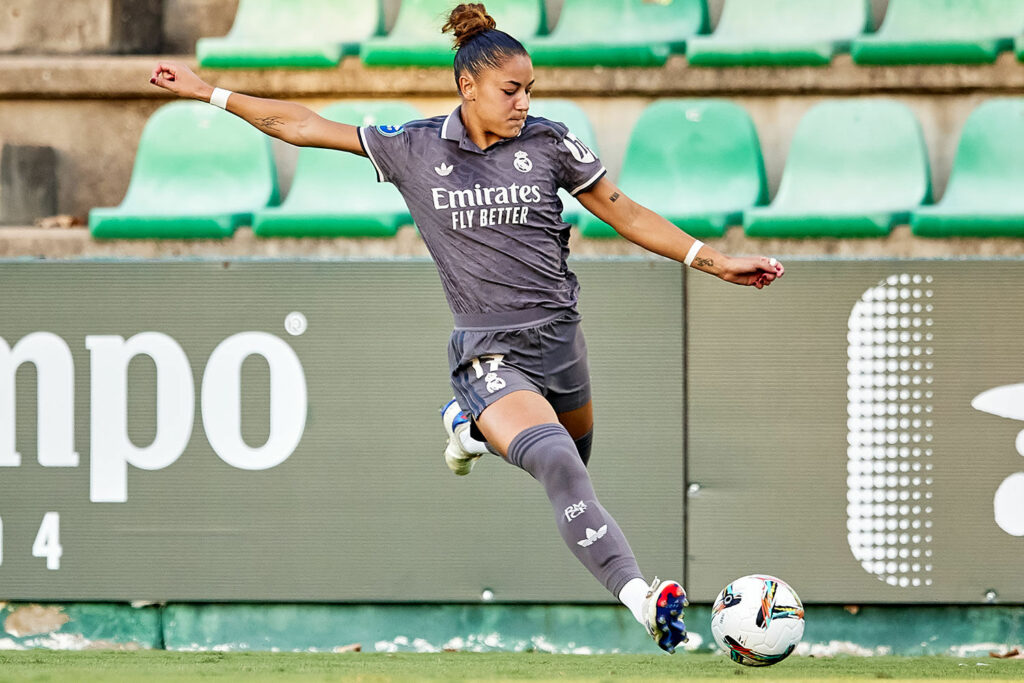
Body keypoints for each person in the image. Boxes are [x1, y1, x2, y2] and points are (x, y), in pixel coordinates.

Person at [149, 2, 784, 655]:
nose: (522, 101)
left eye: (529, 88)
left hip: (561, 341)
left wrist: (713, 260)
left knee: (575, 452)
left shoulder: (550, 142)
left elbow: (622, 209)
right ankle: (645, 600)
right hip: (489, 349)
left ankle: (467, 425)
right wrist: (209, 92)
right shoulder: (416, 147)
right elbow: (303, 124)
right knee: (559, 463)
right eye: (511, 90)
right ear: (468, 86)